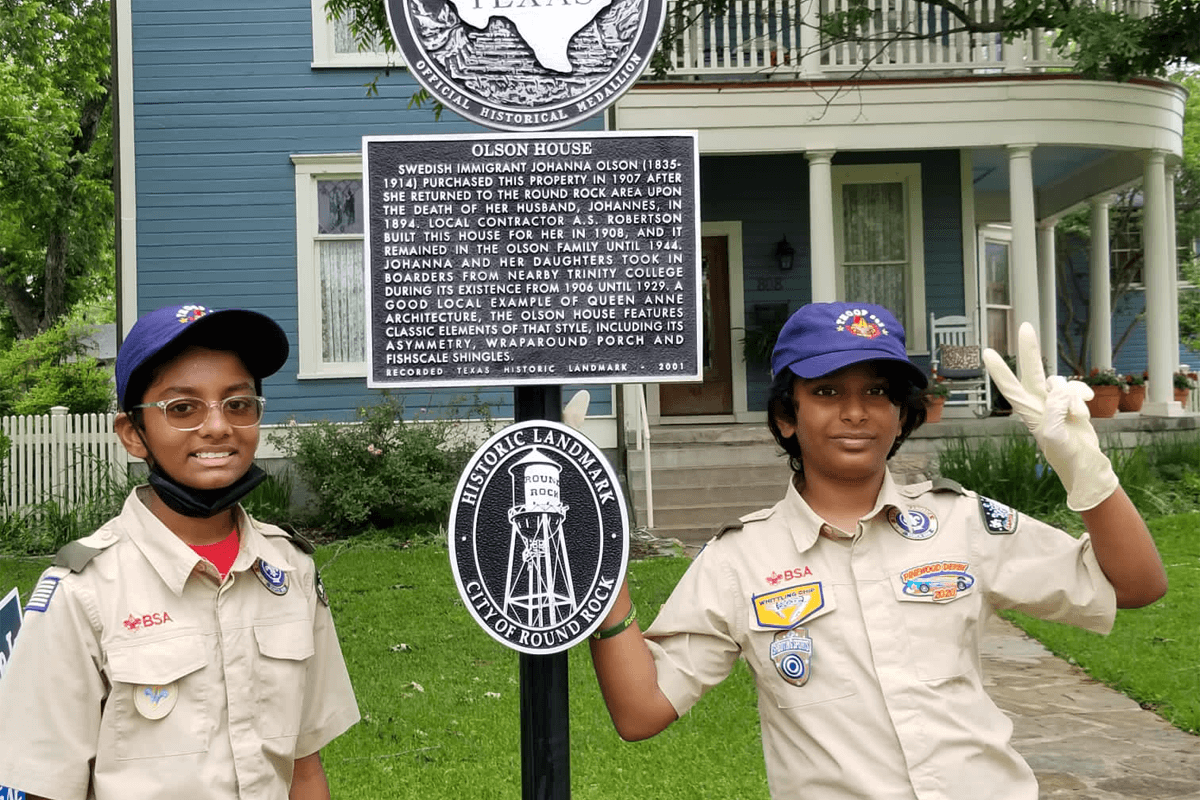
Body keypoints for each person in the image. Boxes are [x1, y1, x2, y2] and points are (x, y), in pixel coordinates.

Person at [588, 301, 1167, 799]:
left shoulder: (961, 521)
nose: (855, 411)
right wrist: (598, 569)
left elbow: (1136, 587)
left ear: (900, 415)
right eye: (827, 391)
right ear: (788, 416)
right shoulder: (739, 559)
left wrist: (1087, 471)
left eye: (877, 392)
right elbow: (641, 712)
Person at [0, 304, 360, 800]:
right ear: (133, 434)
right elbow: (44, 786)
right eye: (182, 408)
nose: (217, 426)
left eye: (238, 403)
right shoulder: (82, 594)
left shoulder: (290, 570)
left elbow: (302, 765)